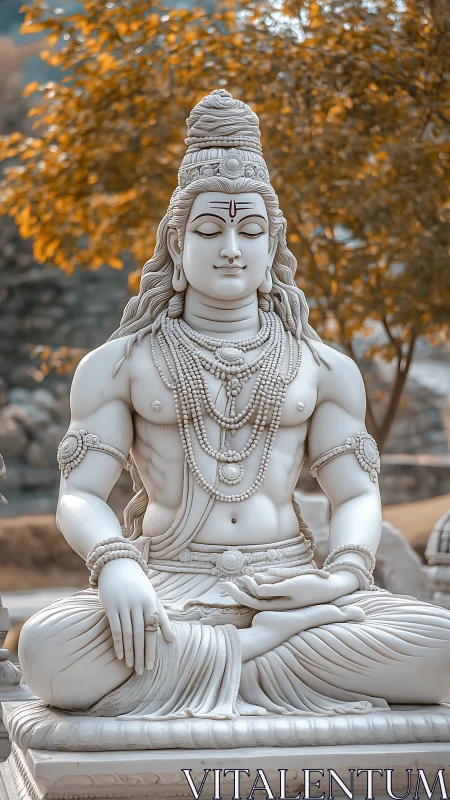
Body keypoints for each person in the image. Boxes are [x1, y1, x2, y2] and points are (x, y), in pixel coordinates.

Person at [19, 90, 450, 719]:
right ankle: (255, 653)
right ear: (175, 240)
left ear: (273, 245)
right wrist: (115, 568)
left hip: (292, 589)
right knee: (48, 653)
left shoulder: (324, 366)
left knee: (442, 648)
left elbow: (355, 495)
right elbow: (81, 494)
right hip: (168, 583)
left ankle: (219, 661)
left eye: (250, 230)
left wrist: (340, 579)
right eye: (210, 228)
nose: (231, 249)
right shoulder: (120, 363)